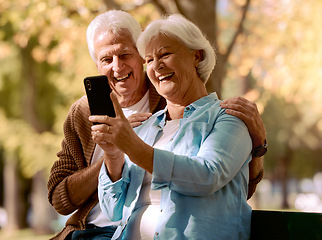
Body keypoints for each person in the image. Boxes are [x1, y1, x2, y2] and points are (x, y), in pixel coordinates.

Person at [47, 10, 266, 240]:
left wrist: (258, 147)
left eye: (165, 54)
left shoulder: (220, 115)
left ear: (196, 56)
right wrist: (112, 155)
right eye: (150, 59)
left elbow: (216, 180)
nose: (117, 66)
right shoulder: (147, 124)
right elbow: (110, 208)